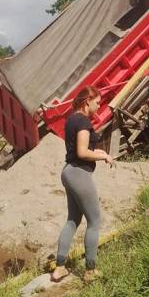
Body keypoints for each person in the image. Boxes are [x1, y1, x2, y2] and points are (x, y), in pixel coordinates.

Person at [51, 85, 113, 283]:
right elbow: (82, 152)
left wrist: (99, 153)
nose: (99, 104)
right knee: (94, 222)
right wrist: (103, 156)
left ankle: (59, 268)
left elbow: (78, 150)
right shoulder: (84, 121)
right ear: (88, 101)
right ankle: (90, 271)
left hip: (68, 171)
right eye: (97, 101)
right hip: (79, 173)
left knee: (73, 220)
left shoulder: (71, 119)